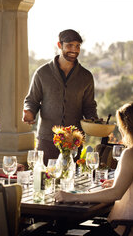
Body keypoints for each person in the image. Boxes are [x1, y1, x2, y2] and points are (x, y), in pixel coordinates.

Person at [54, 103, 133, 236]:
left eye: (120, 127)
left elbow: (115, 194)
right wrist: (120, 182)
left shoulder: (132, 154)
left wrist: (72, 197)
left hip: (129, 229)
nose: (119, 131)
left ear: (127, 128)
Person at [22, 29, 98, 165]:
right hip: (47, 140)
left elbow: (89, 106)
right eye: (69, 45)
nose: (74, 50)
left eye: (77, 46)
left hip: (74, 141)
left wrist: (95, 121)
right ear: (59, 45)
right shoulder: (42, 73)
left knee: (72, 180)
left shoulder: (86, 77)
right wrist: (29, 112)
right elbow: (32, 100)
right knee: (45, 179)